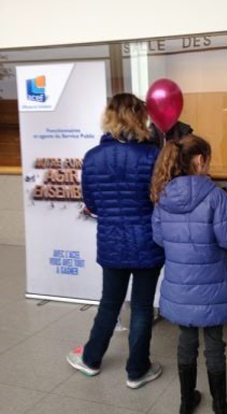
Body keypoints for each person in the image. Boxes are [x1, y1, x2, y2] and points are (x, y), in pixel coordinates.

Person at [67, 93, 165, 389]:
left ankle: (92, 359)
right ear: (140, 117)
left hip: (111, 241)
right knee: (143, 307)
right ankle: (137, 370)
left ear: (110, 117)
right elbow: (161, 200)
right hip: (148, 241)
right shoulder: (153, 156)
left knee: (109, 303)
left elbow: (92, 204)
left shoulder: (93, 157)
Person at [150, 134, 227, 414]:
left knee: (185, 341)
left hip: (179, 286)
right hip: (212, 286)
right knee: (215, 344)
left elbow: (158, 238)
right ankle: (220, 409)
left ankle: (185, 402)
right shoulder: (215, 195)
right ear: (199, 160)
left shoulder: (163, 195)